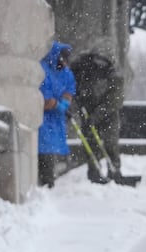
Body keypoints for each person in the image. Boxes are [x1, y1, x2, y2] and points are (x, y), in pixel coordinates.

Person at [70, 46, 124, 184]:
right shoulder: (83, 70)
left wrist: (95, 116)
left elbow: (113, 101)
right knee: (91, 142)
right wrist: (77, 105)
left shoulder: (112, 75)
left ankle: (114, 172)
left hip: (104, 113)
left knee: (109, 142)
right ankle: (94, 172)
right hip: (88, 111)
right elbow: (73, 89)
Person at [37, 41, 76, 188]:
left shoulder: (66, 74)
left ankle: (49, 179)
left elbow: (69, 91)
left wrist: (64, 103)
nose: (65, 63)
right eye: (62, 59)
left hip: (56, 120)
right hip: (44, 119)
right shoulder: (43, 70)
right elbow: (44, 98)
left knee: (52, 149)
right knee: (44, 149)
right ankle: (46, 181)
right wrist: (55, 104)